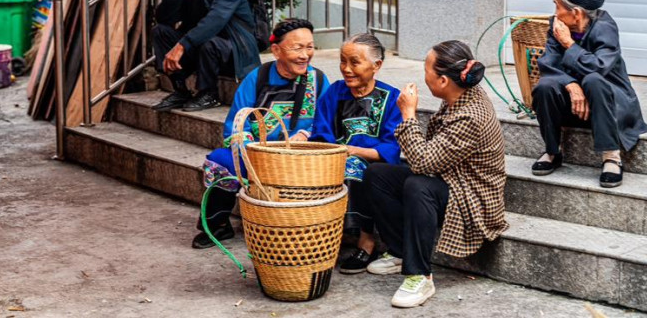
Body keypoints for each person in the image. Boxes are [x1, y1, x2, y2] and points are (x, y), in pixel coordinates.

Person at [364, 40, 507, 308]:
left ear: (443, 81)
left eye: (426, 69)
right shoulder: (460, 94)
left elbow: (422, 162)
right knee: (377, 175)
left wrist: (408, 115)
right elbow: (431, 157)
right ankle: (400, 251)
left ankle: (420, 276)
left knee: (418, 185)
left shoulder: (470, 116)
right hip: (451, 179)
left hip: (473, 199)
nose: (424, 75)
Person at [192, 18, 330, 249]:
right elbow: (236, 126)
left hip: (303, 159)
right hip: (258, 159)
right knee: (220, 161)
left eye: (309, 47)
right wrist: (257, 153)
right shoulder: (257, 79)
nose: (305, 55)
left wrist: (305, 136)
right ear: (276, 50)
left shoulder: (319, 80)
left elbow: (326, 123)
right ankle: (218, 225)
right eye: (297, 48)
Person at [531, 0, 647, 187]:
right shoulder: (557, 25)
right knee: (545, 86)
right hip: (576, 106)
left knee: (593, 80)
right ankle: (553, 151)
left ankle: (611, 156)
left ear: (576, 13)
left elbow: (599, 66)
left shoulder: (605, 27)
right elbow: (548, 63)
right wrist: (571, 85)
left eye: (557, 5)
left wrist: (569, 44)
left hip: (608, 104)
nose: (555, 12)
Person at [301, 33, 402, 274]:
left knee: (354, 167)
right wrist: (335, 153)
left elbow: (392, 147)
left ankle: (366, 241)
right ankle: (322, 236)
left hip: (374, 165)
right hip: (334, 158)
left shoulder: (392, 98)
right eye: (342, 61)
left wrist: (354, 151)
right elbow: (321, 133)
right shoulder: (335, 93)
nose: (346, 69)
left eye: (354, 62)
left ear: (376, 65)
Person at [152, 0, 261, 112]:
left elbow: (216, 19)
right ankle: (180, 90)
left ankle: (209, 94)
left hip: (235, 48)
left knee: (208, 42)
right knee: (160, 31)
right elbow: (163, 18)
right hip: (204, 49)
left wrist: (181, 46)